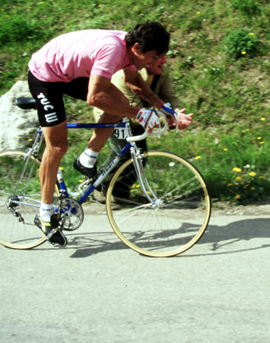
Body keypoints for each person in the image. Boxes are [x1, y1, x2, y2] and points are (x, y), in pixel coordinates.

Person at [27, 21, 184, 246]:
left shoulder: (128, 50)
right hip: (46, 76)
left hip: (69, 73)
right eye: (157, 54)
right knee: (58, 146)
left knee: (117, 103)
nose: (162, 60)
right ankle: (44, 214)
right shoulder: (113, 50)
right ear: (138, 48)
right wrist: (140, 114)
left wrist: (163, 108)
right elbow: (94, 97)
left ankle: (86, 160)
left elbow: (134, 81)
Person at [92, 55, 193, 204]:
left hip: (140, 118)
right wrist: (170, 119)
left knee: (140, 157)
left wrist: (177, 113)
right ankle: (98, 185)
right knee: (123, 155)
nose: (164, 61)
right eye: (160, 57)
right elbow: (132, 112)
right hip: (115, 116)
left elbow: (169, 98)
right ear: (149, 59)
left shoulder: (161, 71)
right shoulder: (123, 76)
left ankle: (119, 193)